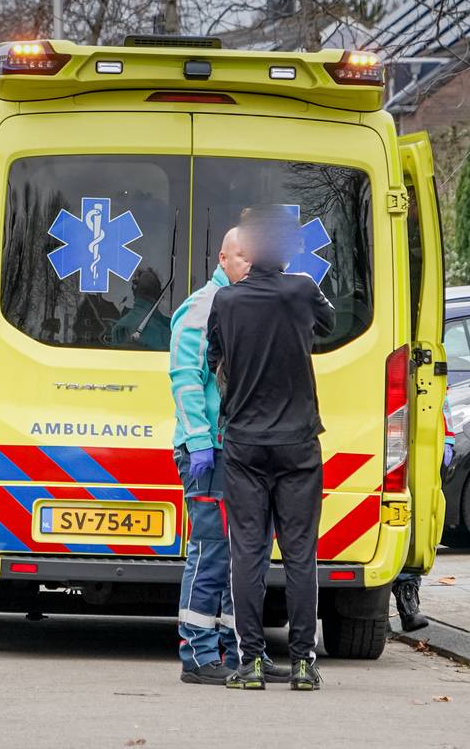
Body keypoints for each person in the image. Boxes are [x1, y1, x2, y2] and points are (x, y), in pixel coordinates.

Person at [207, 206, 335, 691]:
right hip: (299, 443)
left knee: (248, 552)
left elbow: (214, 358)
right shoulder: (302, 290)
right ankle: (303, 662)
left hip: (244, 443)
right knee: (301, 554)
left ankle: (253, 663)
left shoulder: (226, 300)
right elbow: (330, 323)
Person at [168, 227, 276, 684]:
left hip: (241, 449)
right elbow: (186, 378)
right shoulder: (202, 307)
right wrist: (196, 441)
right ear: (223, 258)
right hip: (208, 451)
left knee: (243, 555)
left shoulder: (248, 306)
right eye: (241, 257)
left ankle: (240, 654)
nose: (249, 264)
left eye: (255, 257)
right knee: (211, 552)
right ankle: (197, 655)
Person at [393, 395, 455, 633]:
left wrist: (446, 438)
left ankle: (407, 598)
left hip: (415, 436)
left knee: (415, 520)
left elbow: (437, 392)